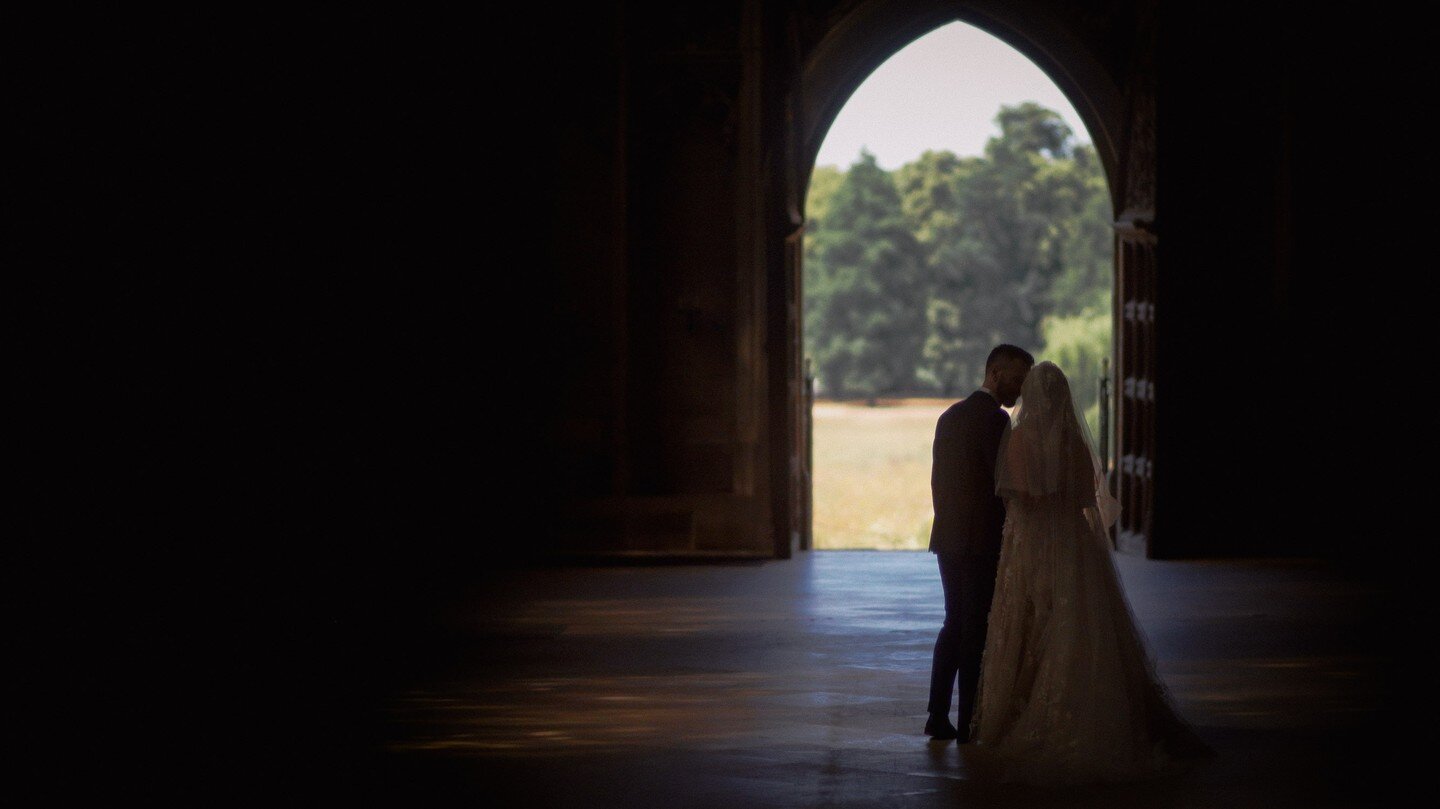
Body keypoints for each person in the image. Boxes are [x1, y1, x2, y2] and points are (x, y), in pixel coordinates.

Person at [968, 361, 1210, 783]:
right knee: (1078, 621)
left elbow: (1016, 495)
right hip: (1072, 542)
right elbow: (1084, 495)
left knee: (1031, 620)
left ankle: (1019, 711)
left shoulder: (1022, 437)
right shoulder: (1074, 441)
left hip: (1032, 542)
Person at [924, 344, 1034, 740]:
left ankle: (938, 714)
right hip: (980, 540)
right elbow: (1003, 485)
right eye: (1017, 379)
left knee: (954, 623)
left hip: (949, 536)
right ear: (995, 373)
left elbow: (941, 481)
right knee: (976, 630)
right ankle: (970, 719)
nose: (1020, 390)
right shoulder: (995, 421)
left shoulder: (949, 415)